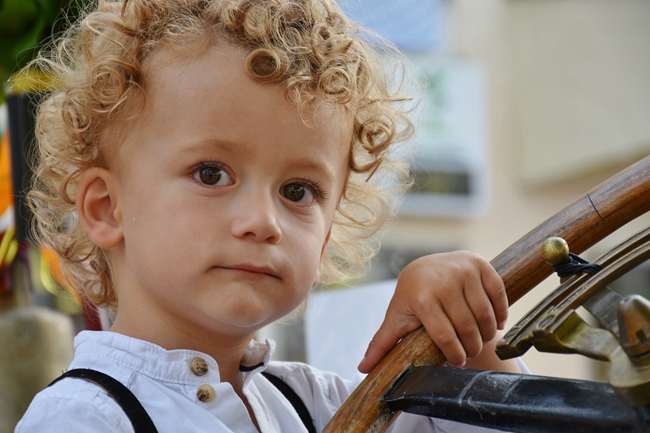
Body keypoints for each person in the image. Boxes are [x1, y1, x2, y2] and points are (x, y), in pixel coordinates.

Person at [16, 0, 522, 431]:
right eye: (211, 174)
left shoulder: (318, 405)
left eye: (298, 191)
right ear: (106, 209)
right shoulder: (82, 418)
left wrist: (465, 329)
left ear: (324, 240)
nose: (264, 221)